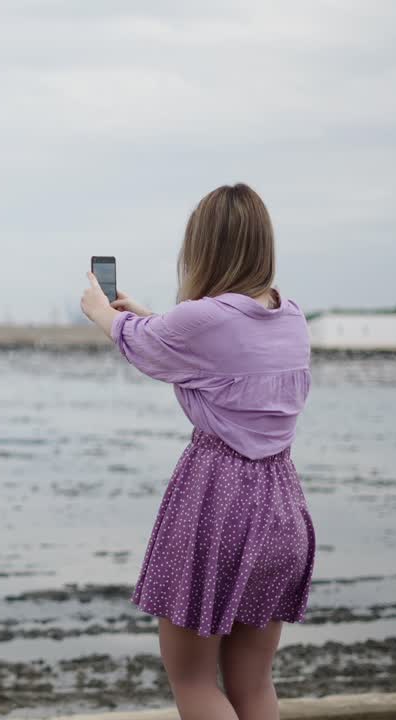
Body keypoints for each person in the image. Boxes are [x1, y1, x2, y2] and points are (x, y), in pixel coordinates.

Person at [79, 183, 315, 720]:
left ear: (203, 247)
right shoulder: (292, 316)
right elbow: (204, 351)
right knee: (253, 682)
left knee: (192, 680)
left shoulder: (203, 319)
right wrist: (144, 315)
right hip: (281, 507)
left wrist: (101, 310)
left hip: (218, 501)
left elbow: (157, 342)